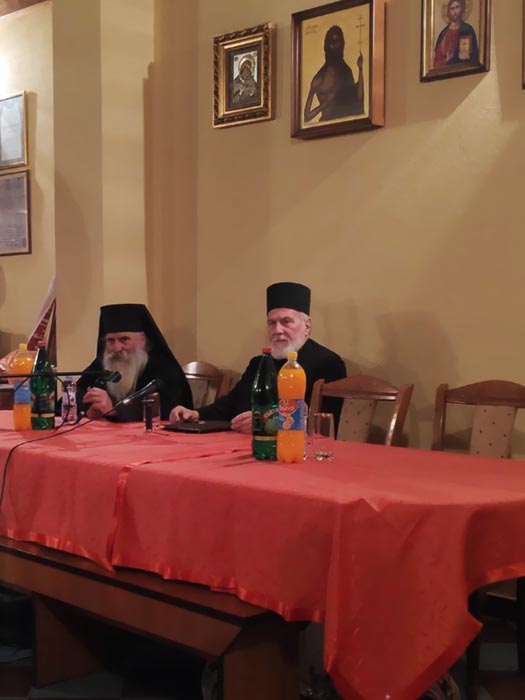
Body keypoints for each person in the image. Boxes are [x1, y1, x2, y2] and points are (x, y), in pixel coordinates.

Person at [169, 282, 347, 433]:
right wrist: (196, 414)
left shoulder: (328, 363)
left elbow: (323, 423)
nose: (277, 330)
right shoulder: (259, 363)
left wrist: (267, 423)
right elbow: (232, 403)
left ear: (307, 326)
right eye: (272, 323)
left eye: (286, 321)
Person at [77, 303, 192, 422]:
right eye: (110, 340)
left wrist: (115, 410)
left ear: (142, 340)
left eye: (124, 339)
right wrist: (87, 409)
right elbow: (76, 392)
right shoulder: (104, 363)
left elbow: (168, 410)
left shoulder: (163, 367)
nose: (116, 348)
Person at [303, 25, 364, 124]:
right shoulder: (319, 78)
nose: (335, 47)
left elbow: (357, 101)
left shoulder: (346, 72)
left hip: (345, 124)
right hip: (326, 124)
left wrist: (360, 70)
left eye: (338, 42)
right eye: (332, 43)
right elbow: (306, 117)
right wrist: (325, 104)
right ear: (327, 46)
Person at [434, 0, 479, 67]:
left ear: (462, 9)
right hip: (447, 69)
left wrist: (469, 56)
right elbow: (437, 60)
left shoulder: (467, 30)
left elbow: (476, 55)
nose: (455, 11)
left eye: (457, 7)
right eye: (452, 8)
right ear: (448, 12)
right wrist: (446, 59)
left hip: (463, 68)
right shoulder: (443, 34)